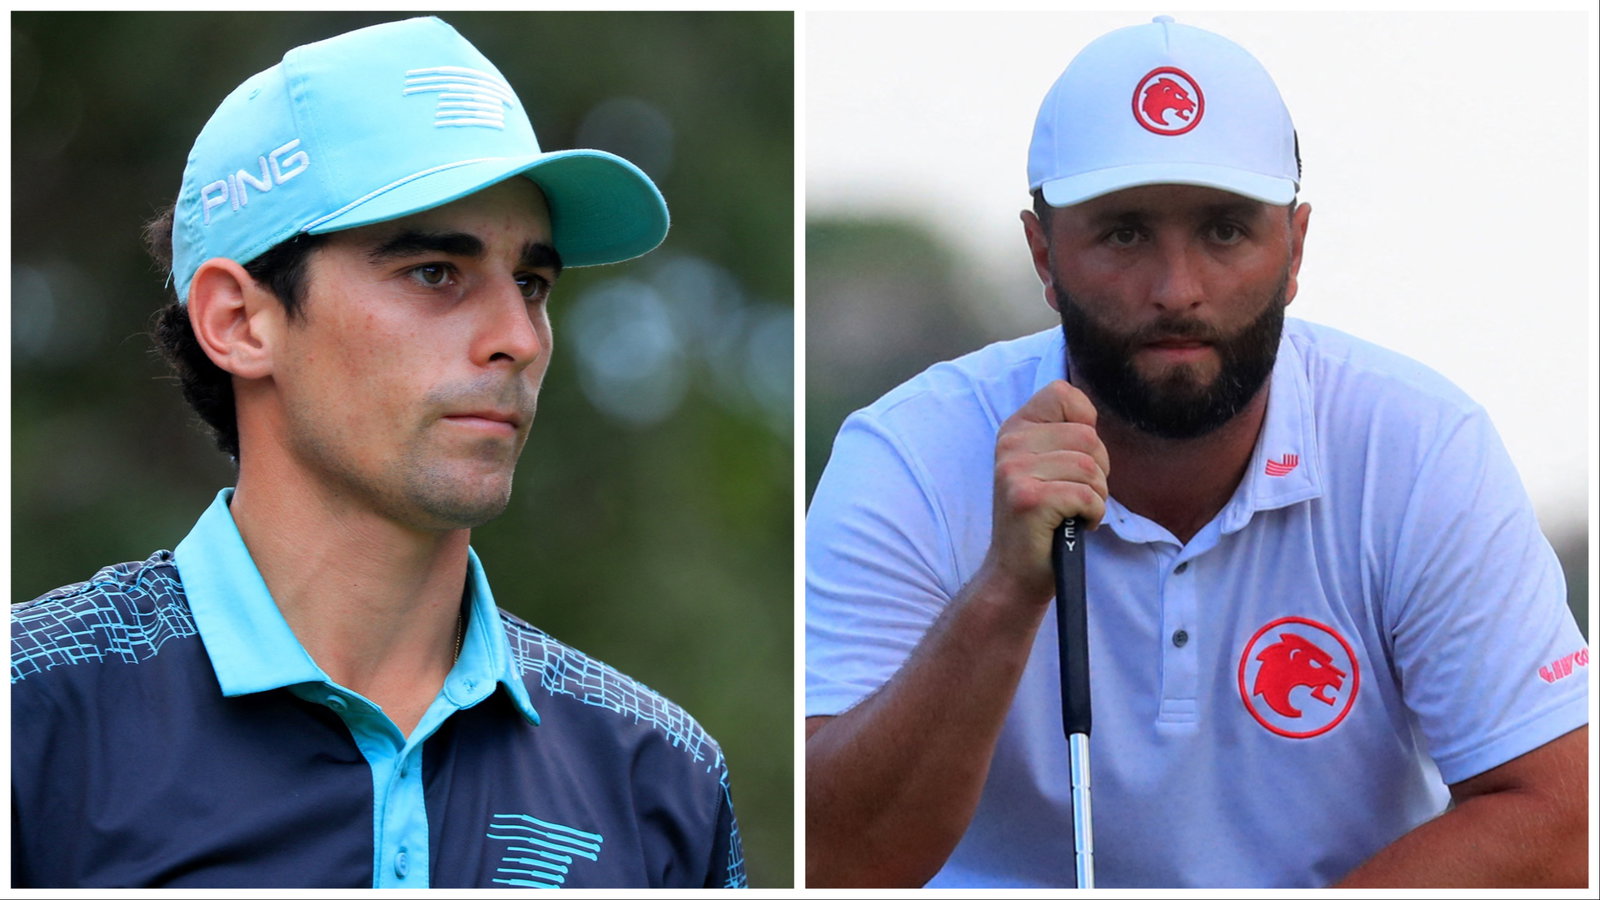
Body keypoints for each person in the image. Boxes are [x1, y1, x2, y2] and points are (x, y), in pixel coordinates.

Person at [804, 15, 1588, 888]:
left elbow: (1561, 817)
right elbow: (835, 865)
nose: (1177, 290)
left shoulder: (1419, 448)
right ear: (1045, 253)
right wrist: (1001, 592)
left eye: (1224, 230)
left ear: (1293, 249)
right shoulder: (908, 454)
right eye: (1125, 233)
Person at [11, 17, 744, 889]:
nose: (519, 336)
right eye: (436, 271)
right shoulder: (31, 725)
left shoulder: (659, 778)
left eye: (533, 284)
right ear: (240, 322)